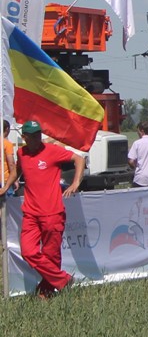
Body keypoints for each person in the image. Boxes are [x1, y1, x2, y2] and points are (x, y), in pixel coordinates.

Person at [15, 120, 85, 299]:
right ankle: (63, 280)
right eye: (33, 135)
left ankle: (45, 293)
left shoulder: (52, 151)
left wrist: (76, 182)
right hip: (31, 213)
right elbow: (18, 170)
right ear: (25, 137)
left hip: (52, 212)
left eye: (39, 134)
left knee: (51, 255)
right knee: (28, 251)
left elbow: (79, 158)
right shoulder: (21, 153)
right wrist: (7, 185)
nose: (38, 138)